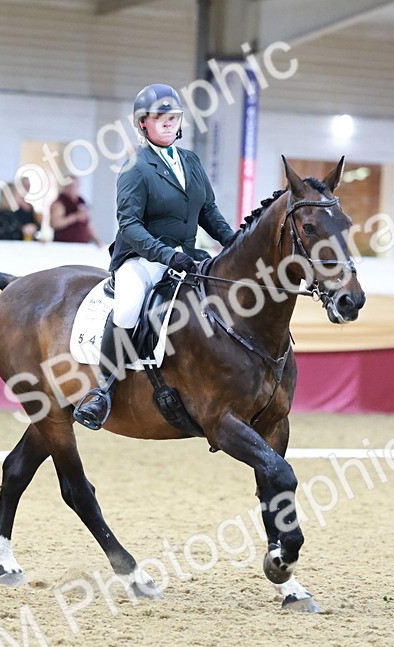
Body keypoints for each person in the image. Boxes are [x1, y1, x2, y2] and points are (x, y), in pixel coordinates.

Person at [72, 83, 237, 431]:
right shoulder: (135, 167)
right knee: (129, 306)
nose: (168, 122)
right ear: (143, 123)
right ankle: (103, 391)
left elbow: (208, 211)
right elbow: (129, 225)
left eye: (173, 117)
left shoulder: (191, 162)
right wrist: (165, 255)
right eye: (159, 117)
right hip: (141, 259)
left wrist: (233, 242)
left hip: (187, 257)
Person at [50, 178, 100, 246]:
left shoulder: (81, 202)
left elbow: (88, 224)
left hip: (82, 245)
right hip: (64, 245)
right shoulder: (59, 204)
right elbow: (54, 224)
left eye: (74, 186)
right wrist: (75, 217)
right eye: (69, 186)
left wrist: (97, 240)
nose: (71, 188)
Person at [0, 177, 41, 241]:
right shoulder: (1, 215)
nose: (20, 201)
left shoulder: (20, 211)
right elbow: (5, 235)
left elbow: (34, 226)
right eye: (19, 197)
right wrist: (23, 230)